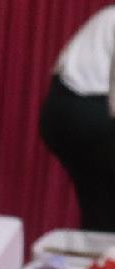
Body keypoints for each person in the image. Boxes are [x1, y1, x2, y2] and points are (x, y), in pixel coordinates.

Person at [40, 6, 115, 232]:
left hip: (64, 108)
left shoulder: (109, 15)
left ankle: (98, 247)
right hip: (86, 109)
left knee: (100, 208)